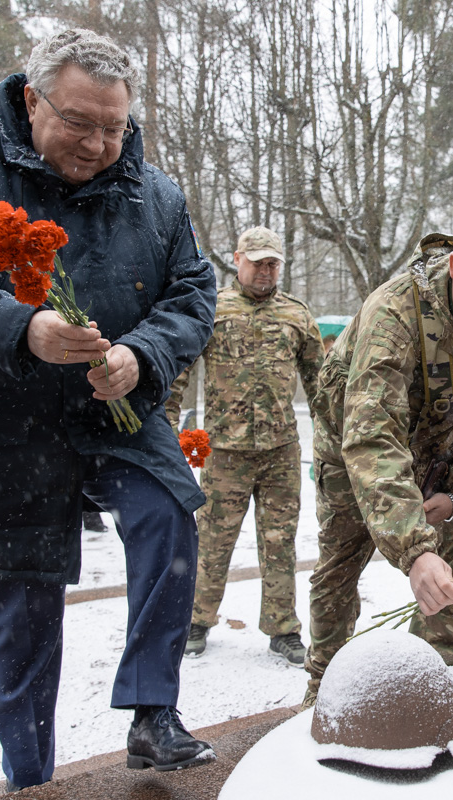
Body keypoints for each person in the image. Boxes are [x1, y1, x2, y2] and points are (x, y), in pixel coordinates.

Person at [0, 28, 218, 791]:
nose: (98, 144)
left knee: (168, 514)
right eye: (79, 122)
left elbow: (193, 293)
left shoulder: (155, 194)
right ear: (32, 100)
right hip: (5, 420)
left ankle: (152, 710)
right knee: (25, 594)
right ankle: (30, 774)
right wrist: (20, 325)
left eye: (114, 127)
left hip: (115, 409)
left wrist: (145, 353)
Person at [303, 204, 453, 706]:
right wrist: (415, 547)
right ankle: (324, 693)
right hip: (357, 455)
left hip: (446, 455)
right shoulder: (394, 313)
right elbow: (372, 436)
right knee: (340, 569)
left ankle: (432, 680)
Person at [165, 226, 323, 665]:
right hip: (224, 452)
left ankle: (282, 628)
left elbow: (320, 384)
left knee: (280, 542)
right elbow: (179, 374)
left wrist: (335, 436)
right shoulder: (212, 309)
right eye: (257, 262)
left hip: (280, 452)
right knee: (213, 540)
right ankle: (197, 620)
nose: (265, 271)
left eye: (273, 263)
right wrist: (167, 429)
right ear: (238, 259)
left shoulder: (296, 315)